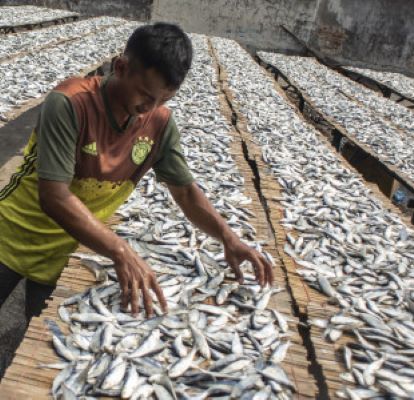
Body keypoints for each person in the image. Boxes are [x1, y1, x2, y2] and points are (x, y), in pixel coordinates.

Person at [0, 22, 274, 323]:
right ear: (120, 67)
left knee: (40, 331)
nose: (151, 107)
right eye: (145, 94)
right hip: (12, 237)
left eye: (164, 100)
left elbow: (184, 191)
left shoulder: (159, 123)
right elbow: (54, 196)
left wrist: (227, 237)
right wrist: (121, 250)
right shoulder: (70, 103)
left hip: (71, 249)